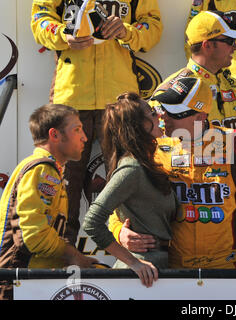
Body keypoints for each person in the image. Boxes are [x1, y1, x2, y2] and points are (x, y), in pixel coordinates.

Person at [110, 77, 236, 287]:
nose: (163, 117)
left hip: (229, 271)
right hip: (168, 272)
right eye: (162, 110)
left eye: (174, 113)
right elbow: (120, 206)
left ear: (200, 116)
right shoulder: (153, 146)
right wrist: (120, 232)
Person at [30, 0, 163, 246]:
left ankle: (131, 254)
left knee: (126, 180)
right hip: (70, 96)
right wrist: (63, 34)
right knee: (62, 187)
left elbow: (152, 25)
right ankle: (61, 255)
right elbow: (40, 17)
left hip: (119, 100)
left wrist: (127, 32)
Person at [0, 104, 98, 300]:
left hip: (28, 281)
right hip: (19, 283)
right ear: (54, 135)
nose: (84, 137)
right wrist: (72, 254)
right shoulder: (42, 170)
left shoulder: (45, 169)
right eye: (77, 130)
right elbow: (33, 235)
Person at [82, 93, 179, 288]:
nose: (159, 116)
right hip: (140, 275)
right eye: (152, 114)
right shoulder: (132, 168)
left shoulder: (148, 163)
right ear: (140, 126)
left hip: (156, 269)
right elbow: (92, 222)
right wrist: (133, 262)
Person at [153, 10, 236, 129]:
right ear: (207, 45)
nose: (235, 47)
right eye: (230, 41)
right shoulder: (173, 92)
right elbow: (162, 142)